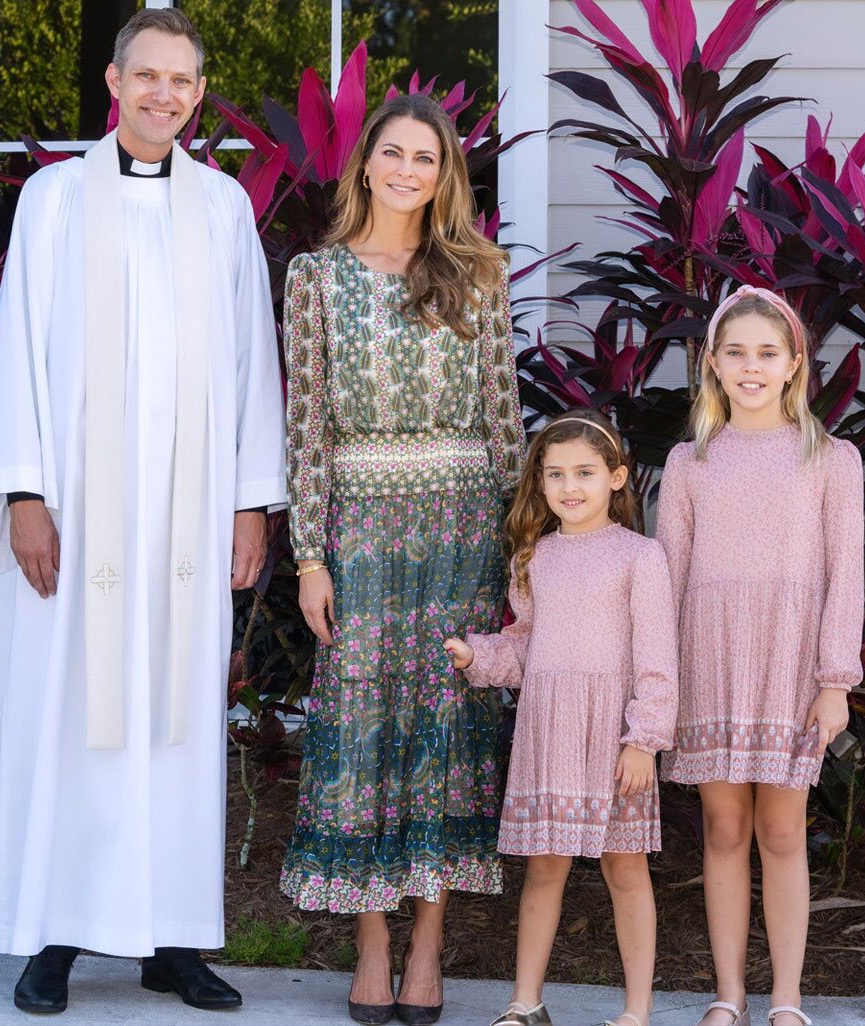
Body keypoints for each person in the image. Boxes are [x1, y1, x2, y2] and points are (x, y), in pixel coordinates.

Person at [0, 9, 286, 1015]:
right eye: (146, 76)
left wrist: (248, 505)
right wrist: (24, 493)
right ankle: (55, 935)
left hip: (185, 523)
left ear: (197, 94)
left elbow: (250, 367)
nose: (163, 95)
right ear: (114, 82)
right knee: (67, 717)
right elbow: (15, 348)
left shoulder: (223, 210)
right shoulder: (57, 199)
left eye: (181, 82)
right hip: (77, 515)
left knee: (176, 721)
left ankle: (170, 941)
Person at [279, 93, 525, 1025]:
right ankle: (371, 943)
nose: (407, 171)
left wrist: (520, 552)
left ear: (444, 175)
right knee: (363, 730)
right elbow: (304, 426)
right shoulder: (313, 277)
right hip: (362, 529)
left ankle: (428, 948)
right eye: (393, 153)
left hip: (463, 524)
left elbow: (504, 416)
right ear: (366, 165)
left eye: (425, 158)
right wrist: (310, 556)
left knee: (446, 734)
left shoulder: (475, 273)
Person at [656, 285, 865, 1026]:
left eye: (765, 354)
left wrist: (835, 680)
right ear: (711, 363)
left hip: (790, 663)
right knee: (722, 830)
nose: (750, 367)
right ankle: (729, 995)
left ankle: (784, 998)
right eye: (735, 353)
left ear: (793, 364)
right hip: (708, 662)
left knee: (780, 830)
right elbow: (667, 579)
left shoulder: (829, 459)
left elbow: (845, 575)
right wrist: (661, 682)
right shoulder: (690, 461)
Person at [445, 411, 678, 1026]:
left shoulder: (641, 557)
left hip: (613, 740)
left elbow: (658, 661)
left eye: (585, 472)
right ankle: (525, 1003)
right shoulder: (535, 558)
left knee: (624, 868)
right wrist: (479, 655)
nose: (569, 487)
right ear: (540, 484)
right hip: (548, 733)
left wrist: (644, 742)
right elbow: (524, 647)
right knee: (544, 866)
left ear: (617, 477)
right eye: (555, 475)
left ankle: (637, 1012)